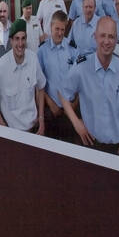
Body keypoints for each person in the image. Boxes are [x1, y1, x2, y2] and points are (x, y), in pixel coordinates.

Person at [61, 16, 119, 155]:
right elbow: (63, 93)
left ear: (117, 39)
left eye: (111, 37)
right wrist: (76, 123)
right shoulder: (81, 67)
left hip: (117, 148)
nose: (106, 41)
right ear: (95, 37)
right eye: (102, 36)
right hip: (89, 144)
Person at [0, 19, 46, 133]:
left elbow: (41, 87)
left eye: (23, 38)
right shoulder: (0, 67)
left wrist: (41, 119)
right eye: (17, 39)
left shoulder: (33, 58)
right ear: (11, 41)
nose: (20, 44)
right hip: (14, 132)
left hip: (35, 128)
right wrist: (4, 129)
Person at [36, 10, 78, 142]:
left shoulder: (73, 49)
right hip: (52, 110)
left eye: (63, 29)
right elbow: (39, 84)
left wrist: (75, 103)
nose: (60, 33)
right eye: (57, 29)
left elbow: (80, 79)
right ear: (50, 27)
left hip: (71, 108)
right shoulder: (42, 51)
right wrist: (51, 104)